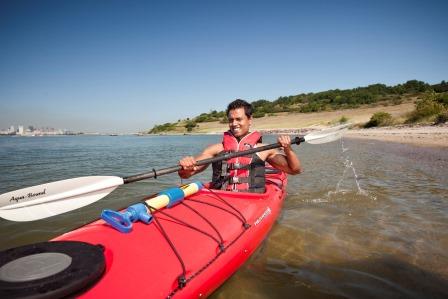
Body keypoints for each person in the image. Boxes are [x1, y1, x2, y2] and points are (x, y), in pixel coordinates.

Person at [178, 99, 302, 193]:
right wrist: (187, 166)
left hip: (253, 201)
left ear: (250, 120)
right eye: (231, 120)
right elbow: (186, 174)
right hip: (222, 199)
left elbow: (295, 170)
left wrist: (287, 148)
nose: (234, 123)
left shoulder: (264, 149)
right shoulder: (215, 149)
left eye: (239, 119)